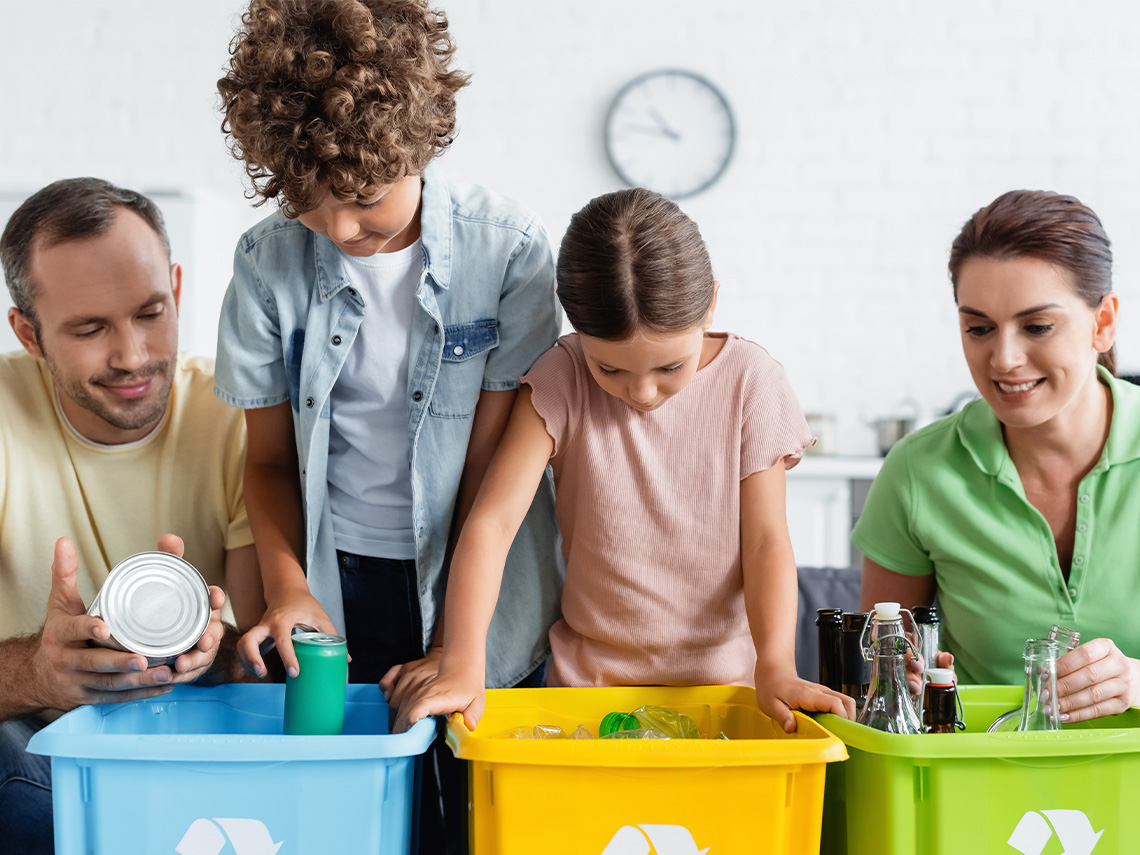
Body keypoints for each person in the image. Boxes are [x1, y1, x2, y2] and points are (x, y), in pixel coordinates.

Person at [213, 1, 563, 849]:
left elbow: (491, 480)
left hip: (481, 584)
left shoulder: (508, 252)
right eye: (306, 200)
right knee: (358, 819)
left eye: (364, 199)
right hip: (340, 583)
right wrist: (291, 586)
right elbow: (266, 464)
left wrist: (458, 637)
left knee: (477, 816)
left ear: (420, 144)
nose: (337, 228)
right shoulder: (266, 263)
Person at [396, 188, 856, 735]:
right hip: (587, 693)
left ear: (709, 303)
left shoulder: (751, 382)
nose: (642, 392)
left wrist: (777, 667)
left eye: (669, 366)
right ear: (576, 329)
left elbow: (765, 543)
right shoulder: (562, 376)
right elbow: (492, 525)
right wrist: (464, 664)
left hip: (725, 692)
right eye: (610, 370)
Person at [0, 177, 262, 855]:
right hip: (30, 752)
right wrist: (38, 673)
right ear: (28, 332)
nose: (133, 355)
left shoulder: (238, 420)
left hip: (193, 743)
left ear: (176, 286)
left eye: (151, 312)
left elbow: (262, 663)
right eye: (89, 329)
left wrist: (214, 649)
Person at [855, 189, 1139, 723]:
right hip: (986, 785)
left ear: (1103, 323)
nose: (1004, 359)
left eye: (1037, 326)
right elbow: (882, 676)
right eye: (979, 328)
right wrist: (900, 679)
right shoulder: (919, 471)